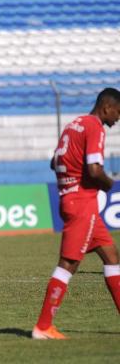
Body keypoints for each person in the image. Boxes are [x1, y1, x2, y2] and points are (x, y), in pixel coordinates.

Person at [32, 88, 120, 340]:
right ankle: (43, 326)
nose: (118, 119)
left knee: (112, 256)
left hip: (75, 199)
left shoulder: (74, 125)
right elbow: (94, 170)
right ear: (106, 107)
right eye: (118, 113)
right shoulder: (95, 127)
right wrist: (109, 184)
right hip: (81, 202)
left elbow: (54, 162)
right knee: (68, 264)